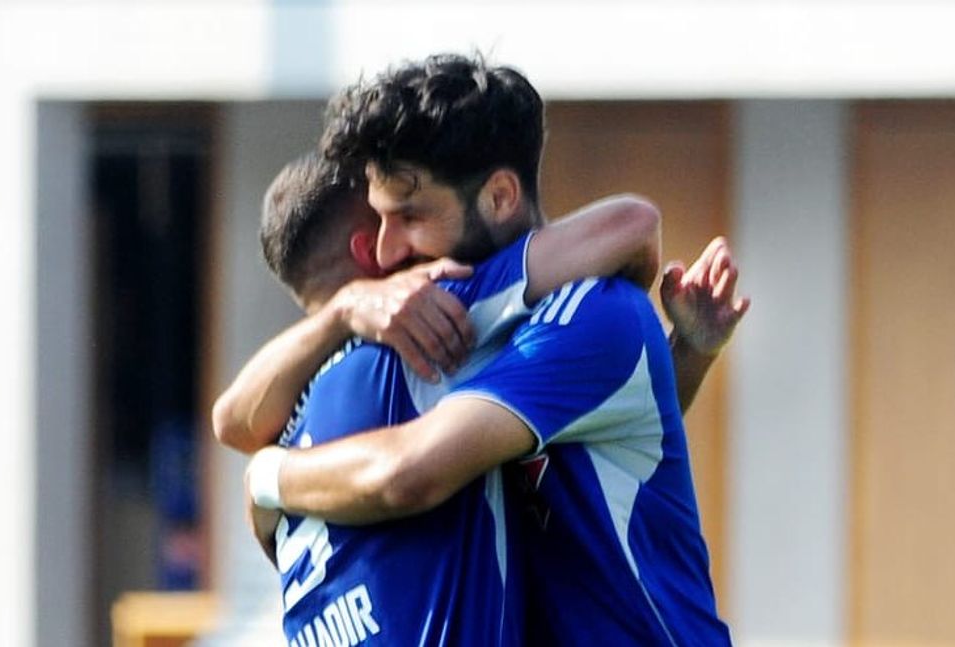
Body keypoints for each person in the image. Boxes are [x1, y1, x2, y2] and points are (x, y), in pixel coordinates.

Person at [241, 53, 747, 645]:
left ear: (501, 197)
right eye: (379, 220)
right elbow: (235, 416)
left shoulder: (591, 314)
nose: (384, 254)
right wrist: (686, 353)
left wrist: (269, 476)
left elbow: (409, 473)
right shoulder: (475, 335)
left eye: (410, 215)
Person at [216, 150, 669, 645]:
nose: (412, 240)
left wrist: (265, 476)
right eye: (402, 217)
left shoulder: (285, 414)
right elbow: (629, 225)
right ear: (372, 250)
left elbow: (229, 421)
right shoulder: (428, 334)